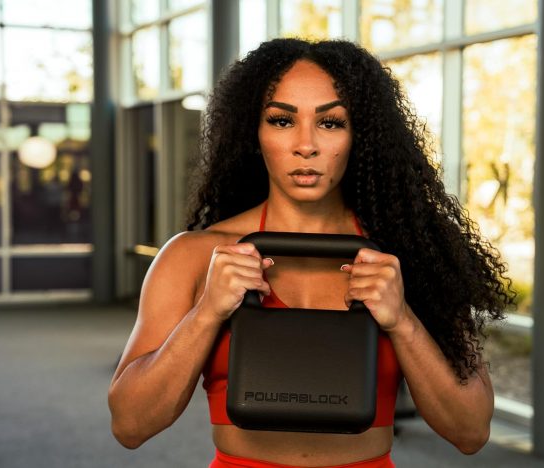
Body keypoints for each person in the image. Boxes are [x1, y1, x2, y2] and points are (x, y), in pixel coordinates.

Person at [108, 38, 514, 467]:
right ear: (254, 132)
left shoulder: (407, 254)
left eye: (331, 122)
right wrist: (206, 312)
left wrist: (402, 321)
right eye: (282, 121)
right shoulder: (194, 257)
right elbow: (130, 425)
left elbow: (471, 431)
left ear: (360, 135)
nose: (306, 145)